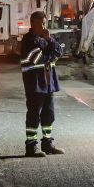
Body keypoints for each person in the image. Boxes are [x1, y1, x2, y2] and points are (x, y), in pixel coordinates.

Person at [20, 11, 65, 157]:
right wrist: (49, 52)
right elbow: (37, 58)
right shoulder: (28, 40)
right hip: (35, 85)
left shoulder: (45, 39)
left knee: (49, 115)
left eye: (45, 23)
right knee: (34, 115)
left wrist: (49, 41)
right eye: (40, 24)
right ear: (33, 24)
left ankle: (47, 144)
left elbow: (59, 52)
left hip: (48, 84)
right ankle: (31, 147)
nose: (44, 26)